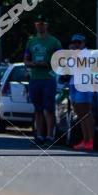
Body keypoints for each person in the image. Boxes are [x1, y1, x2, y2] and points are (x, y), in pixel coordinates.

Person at [24, 14, 61, 146]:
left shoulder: (54, 42)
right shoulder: (31, 41)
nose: (41, 25)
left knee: (49, 109)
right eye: (38, 23)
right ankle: (39, 136)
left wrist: (49, 63)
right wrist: (33, 64)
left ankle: (50, 136)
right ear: (36, 25)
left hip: (48, 79)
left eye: (43, 23)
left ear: (47, 25)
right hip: (35, 79)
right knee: (38, 109)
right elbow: (26, 60)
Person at [67, 34, 95, 151]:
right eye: (74, 42)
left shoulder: (86, 54)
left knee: (86, 113)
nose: (76, 45)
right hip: (74, 83)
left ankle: (90, 140)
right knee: (80, 115)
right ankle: (85, 139)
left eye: (79, 42)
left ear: (83, 43)